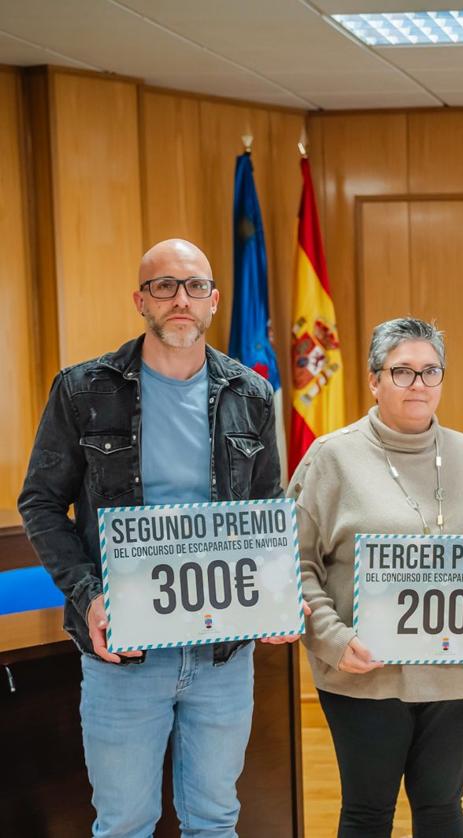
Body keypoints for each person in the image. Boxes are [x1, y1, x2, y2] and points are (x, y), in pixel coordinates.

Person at [18, 238, 290, 837]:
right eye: (164, 286)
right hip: (124, 657)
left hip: (222, 658)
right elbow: (39, 501)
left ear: (214, 300)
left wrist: (276, 596)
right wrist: (89, 595)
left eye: (194, 286)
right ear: (141, 299)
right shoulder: (82, 389)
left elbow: (269, 510)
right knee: (123, 824)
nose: (180, 299)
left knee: (216, 820)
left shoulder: (251, 394)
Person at [289, 316, 463, 838]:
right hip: (364, 674)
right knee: (367, 813)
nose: (418, 385)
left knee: (442, 808)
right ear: (374, 380)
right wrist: (334, 639)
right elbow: (295, 565)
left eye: (431, 372)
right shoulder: (331, 457)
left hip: (453, 674)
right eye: (402, 372)